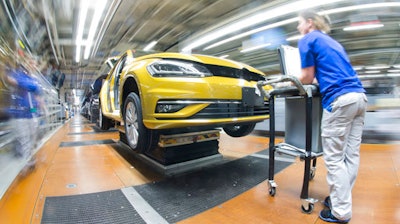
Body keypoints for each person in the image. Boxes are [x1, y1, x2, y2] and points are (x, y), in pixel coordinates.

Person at [296, 10, 367, 223]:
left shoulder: (307, 39)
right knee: (350, 155)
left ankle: (340, 212)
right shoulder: (333, 42)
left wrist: (291, 81)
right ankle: (340, 199)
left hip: (340, 100)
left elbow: (307, 77)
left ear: (309, 23)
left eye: (299, 23)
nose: (298, 28)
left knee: (334, 158)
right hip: (360, 98)